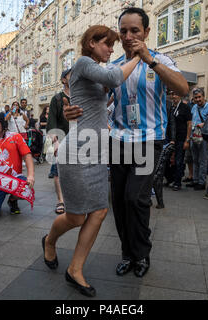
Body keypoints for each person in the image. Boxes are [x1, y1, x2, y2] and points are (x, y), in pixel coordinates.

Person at [64, 8, 188, 279]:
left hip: (147, 141)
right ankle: (127, 254)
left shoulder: (160, 60)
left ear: (146, 32)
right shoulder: (113, 64)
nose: (129, 35)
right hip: (118, 140)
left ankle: (142, 253)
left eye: (135, 30)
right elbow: (96, 100)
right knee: (119, 201)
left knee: (137, 198)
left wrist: (150, 62)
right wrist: (70, 111)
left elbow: (183, 88)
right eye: (124, 31)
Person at [43, 24, 141, 298]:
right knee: (75, 217)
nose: (111, 48)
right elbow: (116, 79)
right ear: (91, 43)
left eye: (113, 44)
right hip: (77, 151)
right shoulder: (84, 63)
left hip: (97, 152)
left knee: (98, 211)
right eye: (107, 44)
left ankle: (75, 269)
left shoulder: (96, 74)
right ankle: (49, 241)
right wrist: (138, 56)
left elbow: (97, 102)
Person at [0, 111, 35, 218]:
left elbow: (27, 155)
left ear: (3, 125)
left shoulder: (15, 137)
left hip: (14, 179)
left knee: (26, 188)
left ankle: (13, 199)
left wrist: (31, 176)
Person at [47, 69, 71, 212]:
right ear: (63, 80)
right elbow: (51, 122)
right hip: (61, 140)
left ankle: (73, 198)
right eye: (70, 76)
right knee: (58, 172)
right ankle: (60, 201)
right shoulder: (57, 99)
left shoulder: (81, 97)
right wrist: (56, 142)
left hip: (80, 141)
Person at [188, 87, 208, 191]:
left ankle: (201, 182)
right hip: (194, 136)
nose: (198, 99)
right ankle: (195, 180)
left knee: (202, 160)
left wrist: (203, 124)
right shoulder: (194, 107)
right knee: (195, 159)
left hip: (203, 137)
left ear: (203, 96)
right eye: (195, 98)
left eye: (199, 97)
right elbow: (191, 121)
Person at [166, 91, 192, 191]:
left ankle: (177, 183)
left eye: (176, 94)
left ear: (180, 95)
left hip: (182, 139)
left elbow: (189, 124)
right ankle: (170, 179)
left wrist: (187, 140)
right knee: (169, 160)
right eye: (172, 94)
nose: (174, 96)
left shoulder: (185, 107)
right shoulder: (171, 107)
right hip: (171, 138)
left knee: (178, 161)